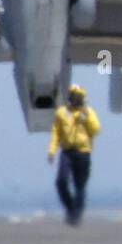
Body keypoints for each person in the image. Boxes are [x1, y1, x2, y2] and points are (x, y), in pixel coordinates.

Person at [48, 83, 100, 226]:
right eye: (73, 96)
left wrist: (86, 116)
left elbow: (96, 130)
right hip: (67, 152)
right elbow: (56, 133)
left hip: (83, 152)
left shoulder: (88, 112)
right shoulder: (62, 112)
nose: (75, 99)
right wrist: (52, 151)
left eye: (78, 97)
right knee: (61, 181)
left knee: (80, 186)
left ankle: (76, 216)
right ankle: (70, 208)